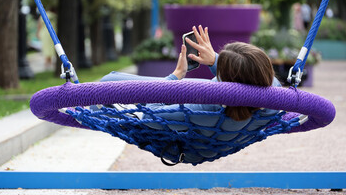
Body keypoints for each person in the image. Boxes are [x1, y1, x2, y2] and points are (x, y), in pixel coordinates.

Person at [100, 25, 281, 122]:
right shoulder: (272, 99)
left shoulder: (203, 102)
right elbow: (269, 81)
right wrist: (216, 61)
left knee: (108, 81)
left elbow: (151, 115)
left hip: (167, 105)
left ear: (225, 78)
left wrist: (174, 78)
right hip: (217, 132)